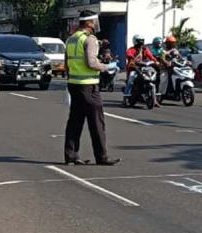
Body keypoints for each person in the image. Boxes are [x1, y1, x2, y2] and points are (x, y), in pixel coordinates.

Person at [64, 10, 119, 166]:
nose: (96, 25)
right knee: (97, 122)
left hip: (74, 84)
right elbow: (91, 62)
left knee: (75, 121)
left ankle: (71, 155)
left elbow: (67, 64)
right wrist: (107, 67)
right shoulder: (90, 39)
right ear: (89, 23)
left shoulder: (71, 39)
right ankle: (102, 157)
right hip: (88, 85)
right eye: (94, 21)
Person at [123, 34, 158, 101]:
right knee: (131, 79)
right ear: (135, 41)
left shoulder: (145, 49)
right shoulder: (131, 49)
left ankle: (155, 100)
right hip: (134, 68)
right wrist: (134, 60)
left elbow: (151, 56)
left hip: (144, 68)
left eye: (142, 40)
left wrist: (156, 61)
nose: (141, 42)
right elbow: (129, 56)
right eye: (139, 41)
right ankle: (126, 96)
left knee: (152, 78)